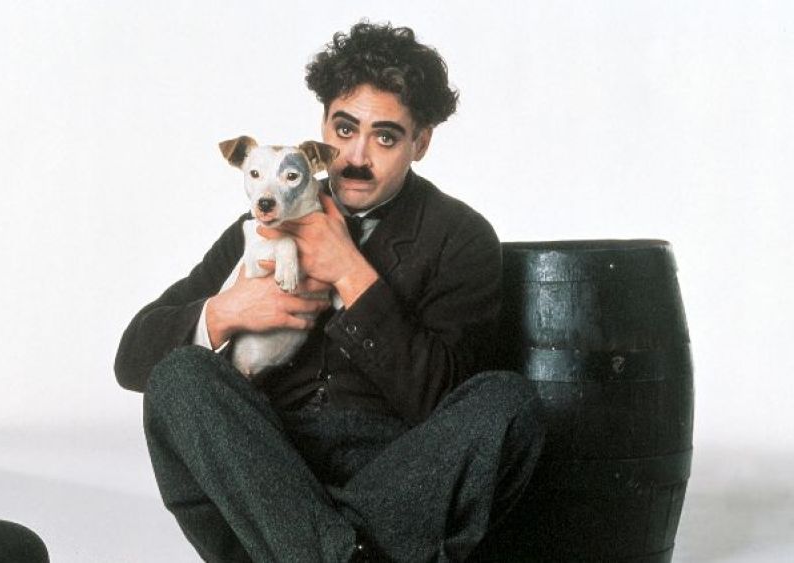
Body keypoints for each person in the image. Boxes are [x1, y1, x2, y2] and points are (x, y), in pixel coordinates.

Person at [115, 21, 544, 562]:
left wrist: (350, 272)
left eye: (385, 137)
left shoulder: (460, 235)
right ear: (322, 127)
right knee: (179, 374)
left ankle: (317, 548)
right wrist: (226, 311)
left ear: (421, 142)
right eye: (344, 130)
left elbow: (444, 399)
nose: (355, 157)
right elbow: (132, 361)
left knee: (508, 400)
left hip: (396, 477)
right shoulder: (267, 217)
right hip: (269, 469)